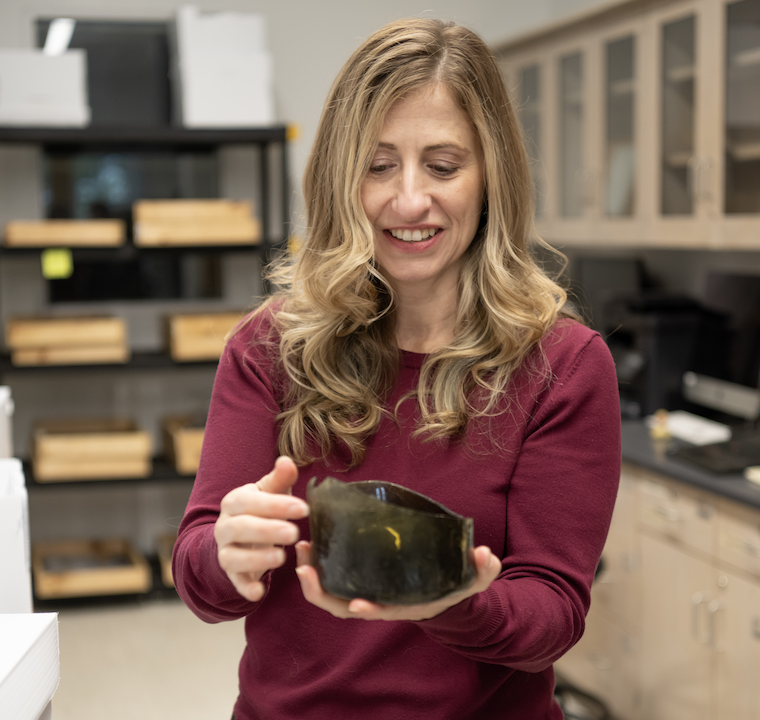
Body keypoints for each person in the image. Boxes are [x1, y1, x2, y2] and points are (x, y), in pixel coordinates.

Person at [172, 17, 621, 720]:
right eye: (379, 165)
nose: (409, 200)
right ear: (339, 176)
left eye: (443, 165)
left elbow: (553, 614)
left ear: (489, 177)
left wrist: (454, 600)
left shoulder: (561, 365)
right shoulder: (269, 347)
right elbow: (202, 579)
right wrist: (224, 550)